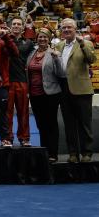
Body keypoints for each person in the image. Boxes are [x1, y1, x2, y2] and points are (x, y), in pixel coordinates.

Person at [55, 18, 96, 163]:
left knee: (84, 123)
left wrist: (83, 43)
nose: (66, 30)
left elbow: (92, 59)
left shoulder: (86, 43)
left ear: (75, 29)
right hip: (64, 89)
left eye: (69, 28)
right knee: (69, 123)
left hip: (82, 89)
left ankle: (87, 153)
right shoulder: (58, 45)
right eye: (64, 28)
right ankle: (73, 153)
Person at [26, 28, 65, 162]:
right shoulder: (32, 53)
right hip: (35, 94)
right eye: (40, 37)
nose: (42, 39)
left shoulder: (53, 53)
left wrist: (57, 59)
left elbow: (61, 73)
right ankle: (44, 151)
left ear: (49, 39)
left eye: (45, 37)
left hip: (50, 94)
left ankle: (53, 153)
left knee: (51, 124)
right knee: (41, 124)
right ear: (37, 38)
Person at [7, 18, 35, 146]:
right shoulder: (3, 40)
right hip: (7, 82)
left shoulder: (28, 43)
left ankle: (24, 137)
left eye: (19, 24)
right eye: (14, 24)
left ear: (23, 27)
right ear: (10, 26)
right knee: (7, 112)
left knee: (23, 112)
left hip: (22, 81)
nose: (16, 26)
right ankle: (7, 137)